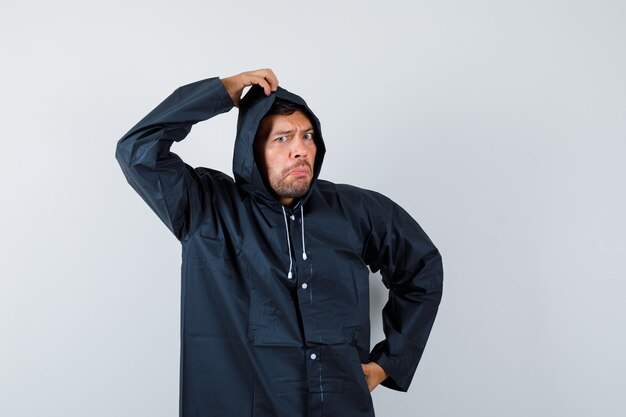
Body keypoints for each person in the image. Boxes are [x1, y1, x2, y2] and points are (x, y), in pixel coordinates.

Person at [116, 69, 443, 417]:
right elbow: (137, 149)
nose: (300, 150)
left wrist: (388, 363)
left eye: (308, 136)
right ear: (252, 150)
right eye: (282, 139)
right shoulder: (205, 209)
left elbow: (421, 269)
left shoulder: (356, 210)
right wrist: (223, 91)